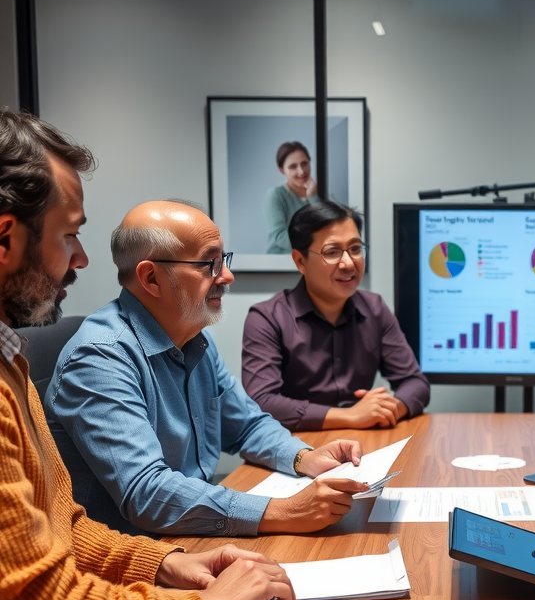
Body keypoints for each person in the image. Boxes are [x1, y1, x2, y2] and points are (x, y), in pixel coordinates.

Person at [0, 109, 296, 600]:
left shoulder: (11, 361)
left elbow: (65, 531)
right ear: (6, 238)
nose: (80, 260)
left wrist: (163, 563)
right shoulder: (90, 356)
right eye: (68, 234)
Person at [45, 200, 369, 538]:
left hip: (192, 533)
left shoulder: (193, 335)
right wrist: (286, 510)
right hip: (131, 558)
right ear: (151, 278)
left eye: (223, 261)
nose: (227, 276)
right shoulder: (100, 357)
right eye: (208, 264)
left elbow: (244, 425)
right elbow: (147, 493)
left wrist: (304, 457)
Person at [242, 200, 430, 430]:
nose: (348, 263)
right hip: (297, 448)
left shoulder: (374, 308)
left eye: (355, 249)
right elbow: (262, 401)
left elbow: (415, 382)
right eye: (332, 252)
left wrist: (392, 407)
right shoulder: (267, 318)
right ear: (300, 261)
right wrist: (350, 416)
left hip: (364, 445)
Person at [265, 141, 318, 254]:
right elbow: (281, 237)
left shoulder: (320, 195)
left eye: (304, 164)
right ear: (282, 170)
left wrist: (313, 198)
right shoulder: (276, 195)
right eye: (293, 167)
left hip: (311, 261)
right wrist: (315, 245)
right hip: (281, 263)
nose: (302, 171)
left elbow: (327, 228)